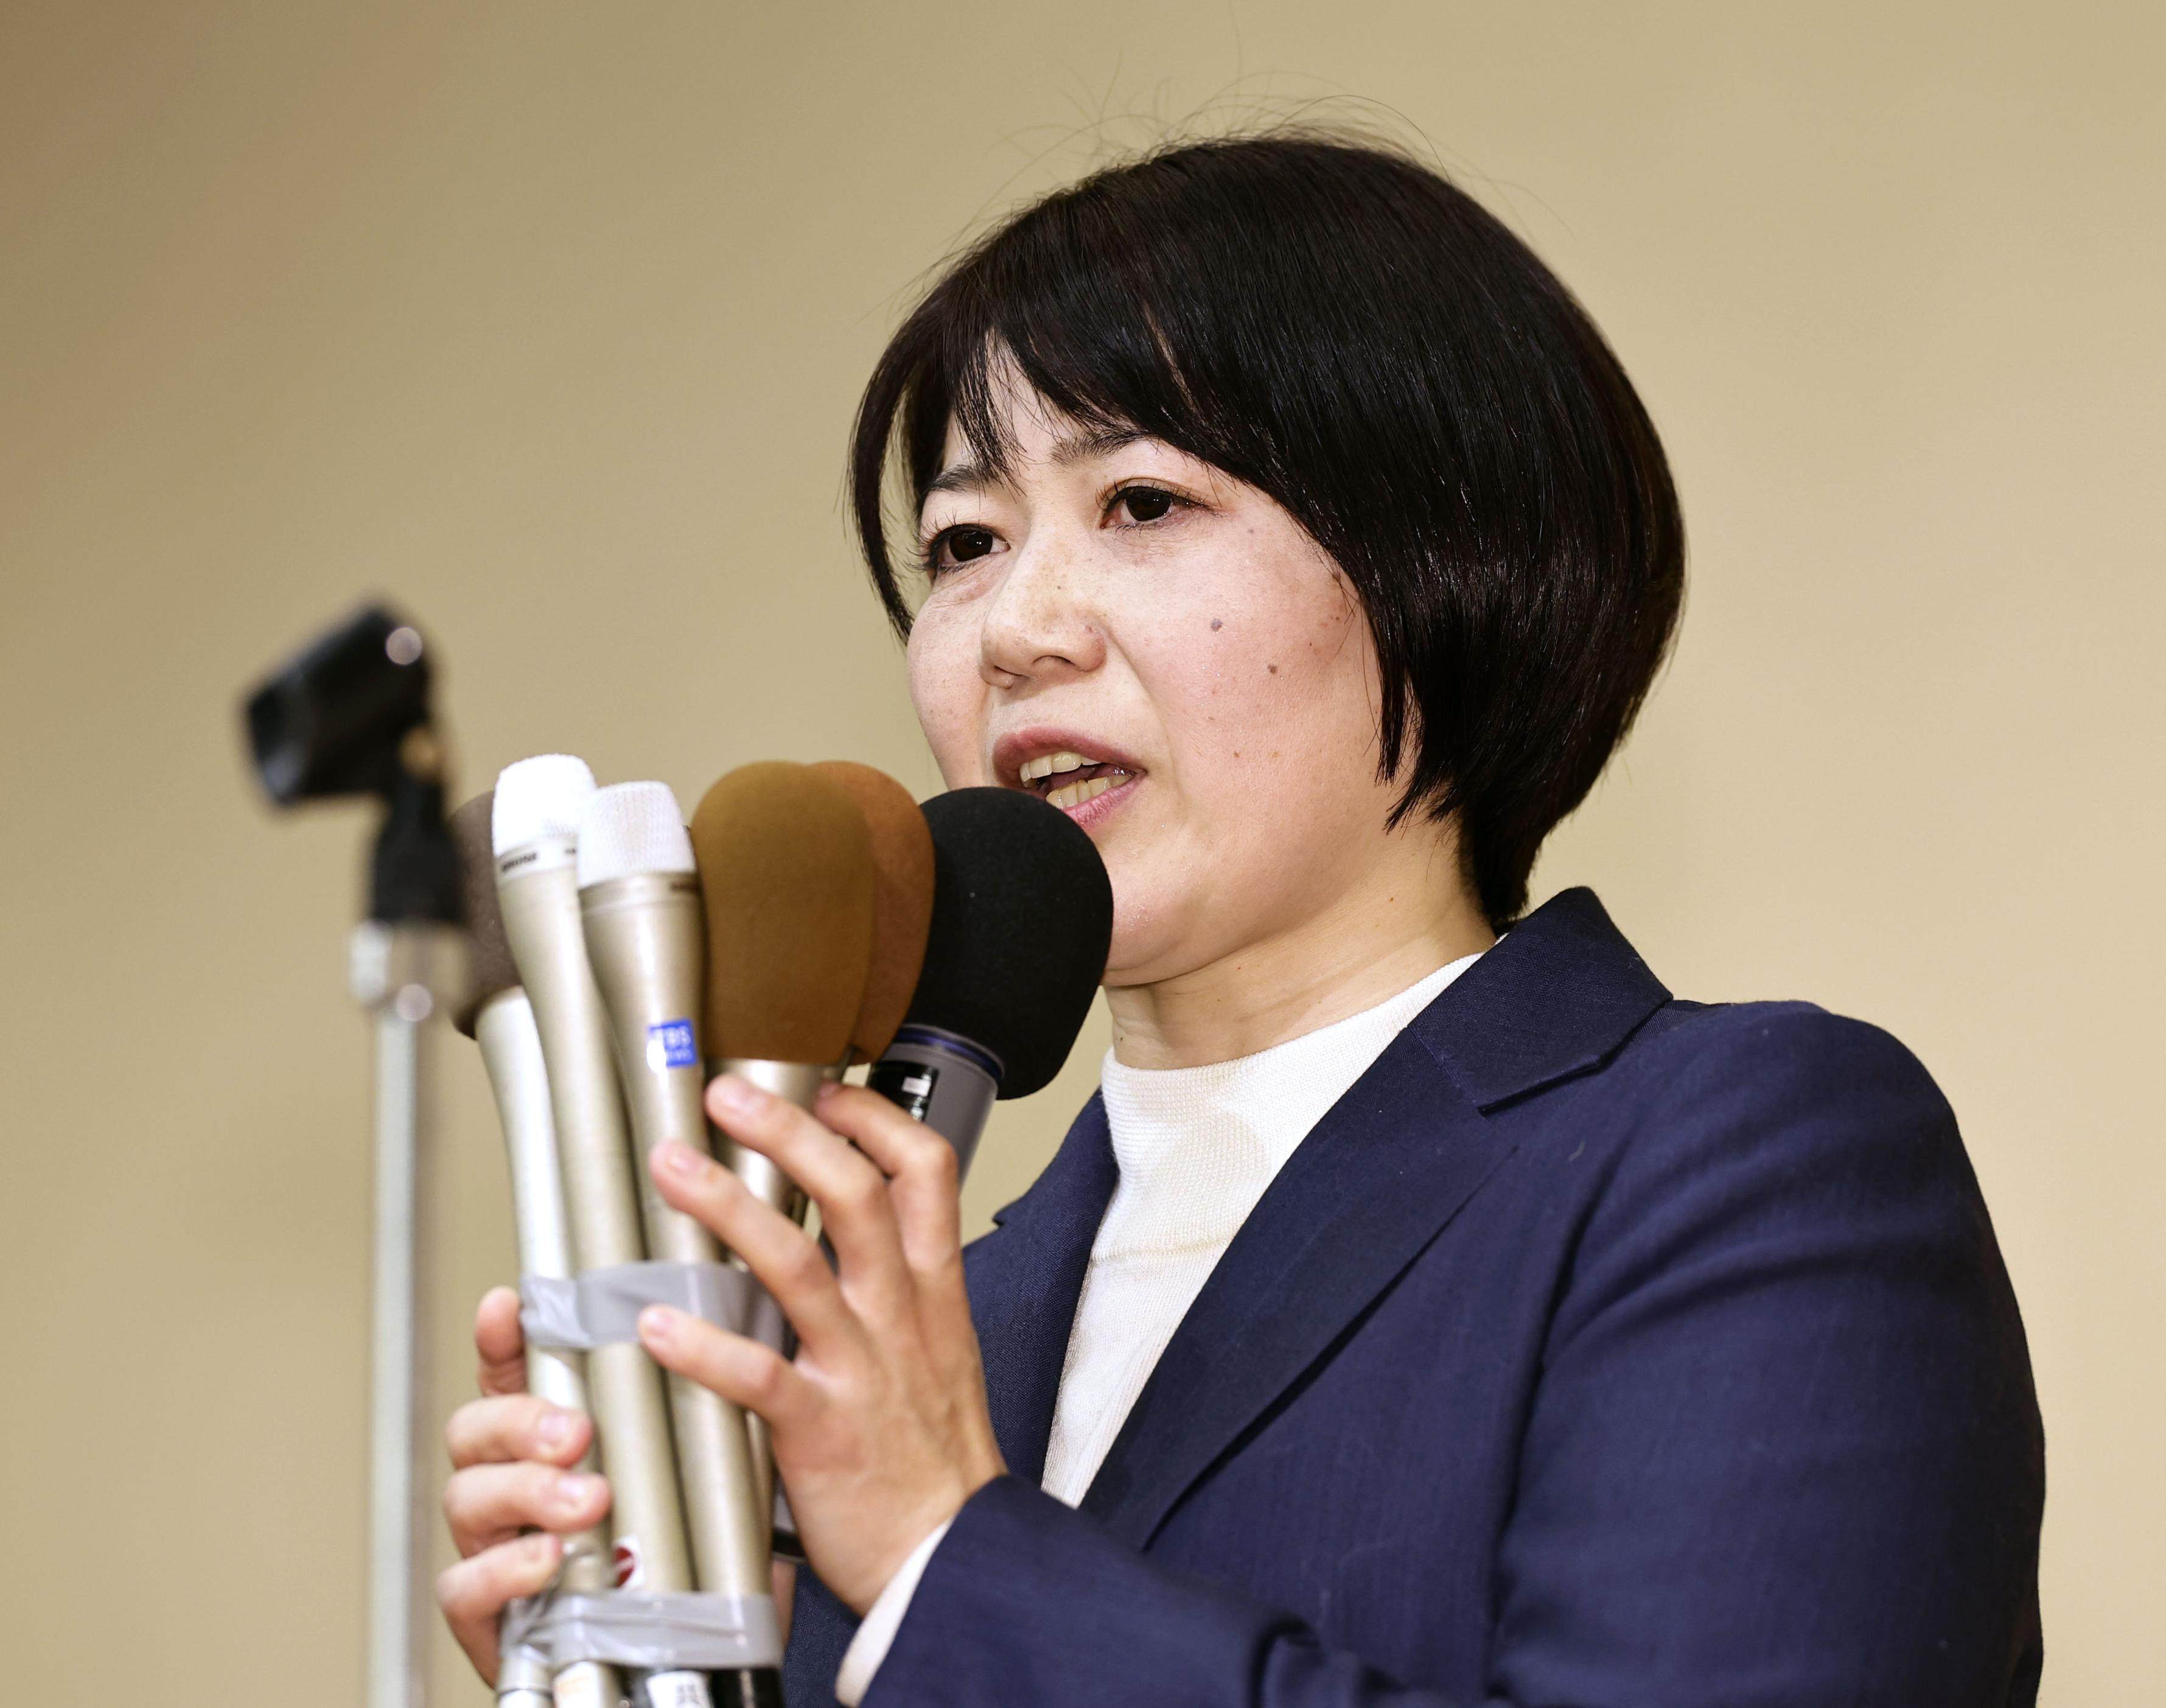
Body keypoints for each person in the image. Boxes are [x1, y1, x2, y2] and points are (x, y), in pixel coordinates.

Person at [436, 132, 2045, 1706]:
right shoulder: (939, 1325)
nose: (1017, 629)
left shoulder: (1746, 1156)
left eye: (1142, 503)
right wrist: (690, 1660)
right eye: (966, 543)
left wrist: (938, 1562)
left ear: (1451, 556)